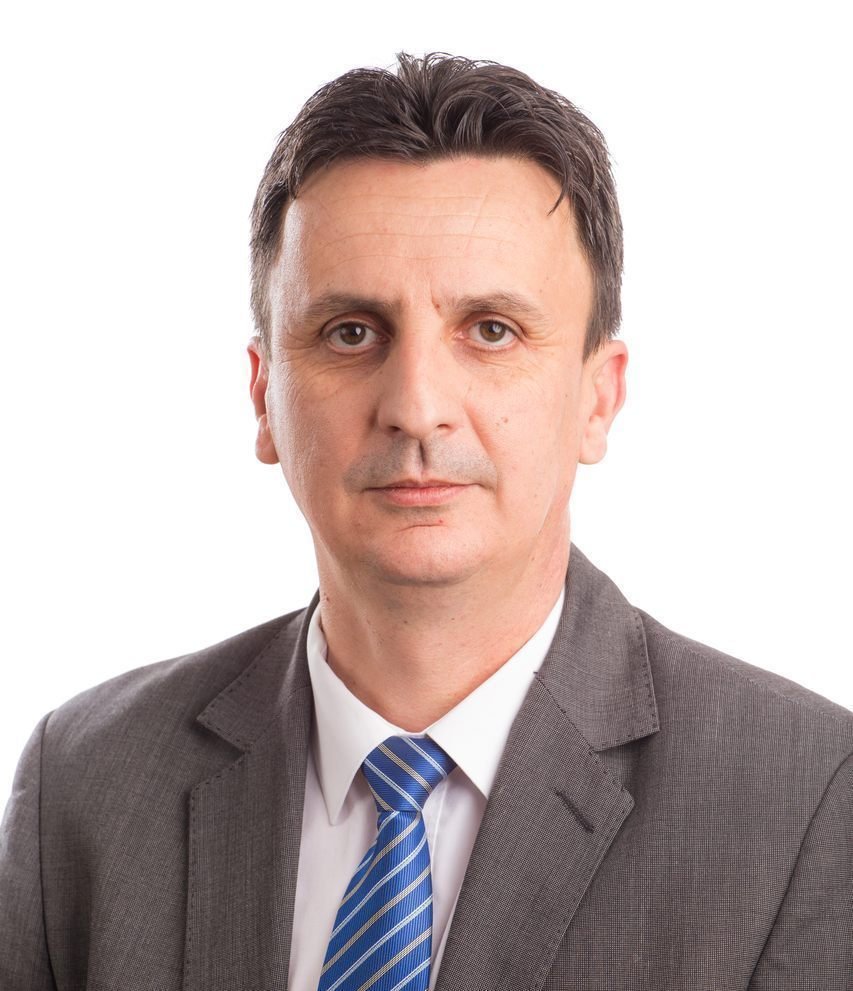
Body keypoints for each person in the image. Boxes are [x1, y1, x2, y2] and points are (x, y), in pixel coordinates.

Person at [1, 51, 851, 991]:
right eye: (350, 332)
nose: (415, 407)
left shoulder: (807, 797)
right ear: (263, 397)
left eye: (490, 330)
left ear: (597, 398)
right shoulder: (86, 785)